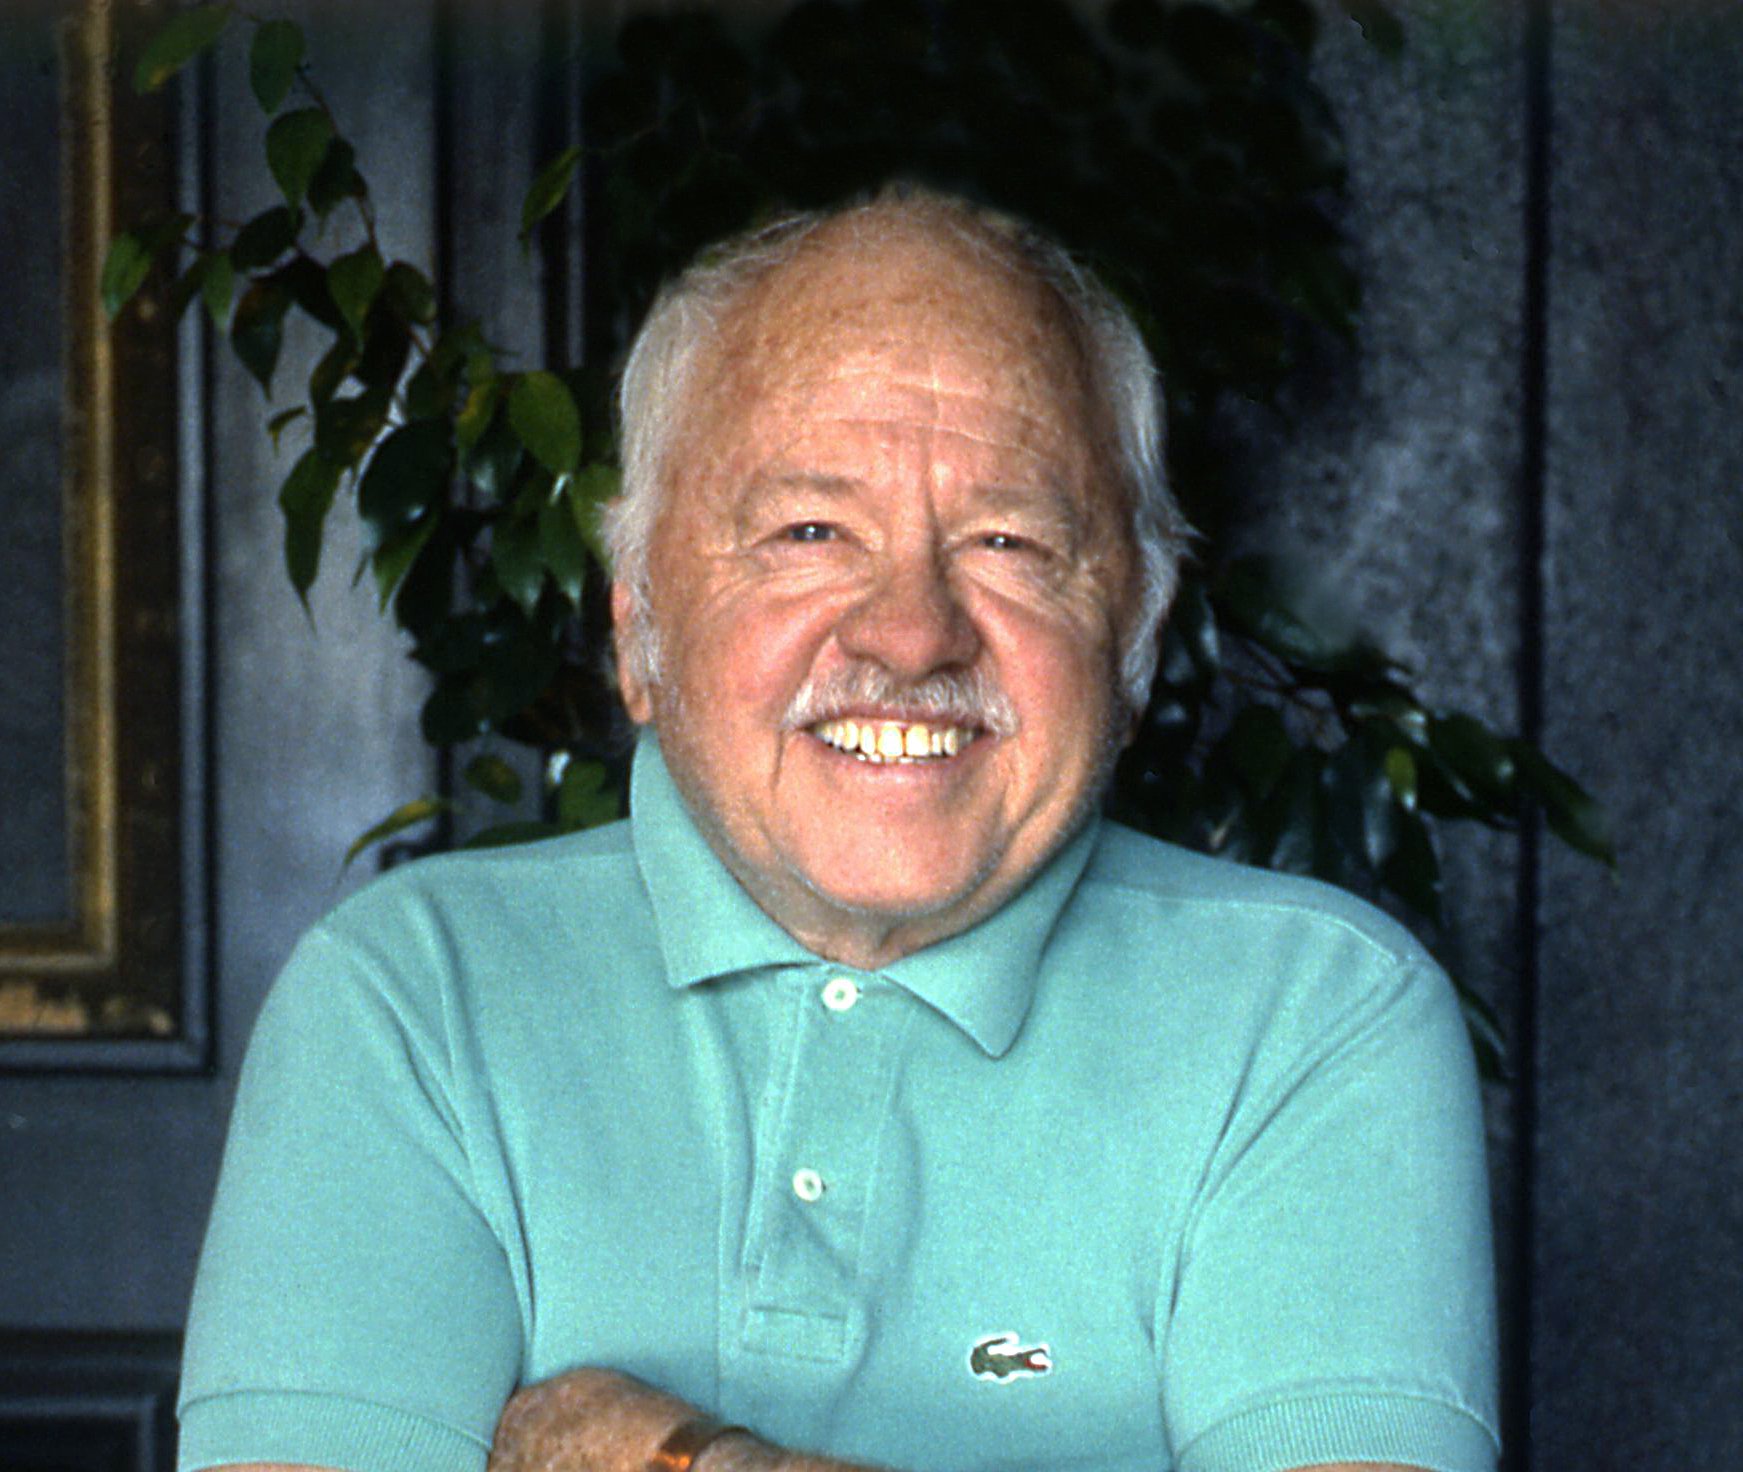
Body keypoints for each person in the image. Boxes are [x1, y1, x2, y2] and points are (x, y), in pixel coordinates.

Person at [176, 187, 1499, 1472]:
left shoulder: (1317, 1017)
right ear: (637, 626)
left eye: (1010, 543)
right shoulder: (409, 999)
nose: (912, 633)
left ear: (1138, 635)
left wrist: (686, 1461)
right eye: (809, 531)